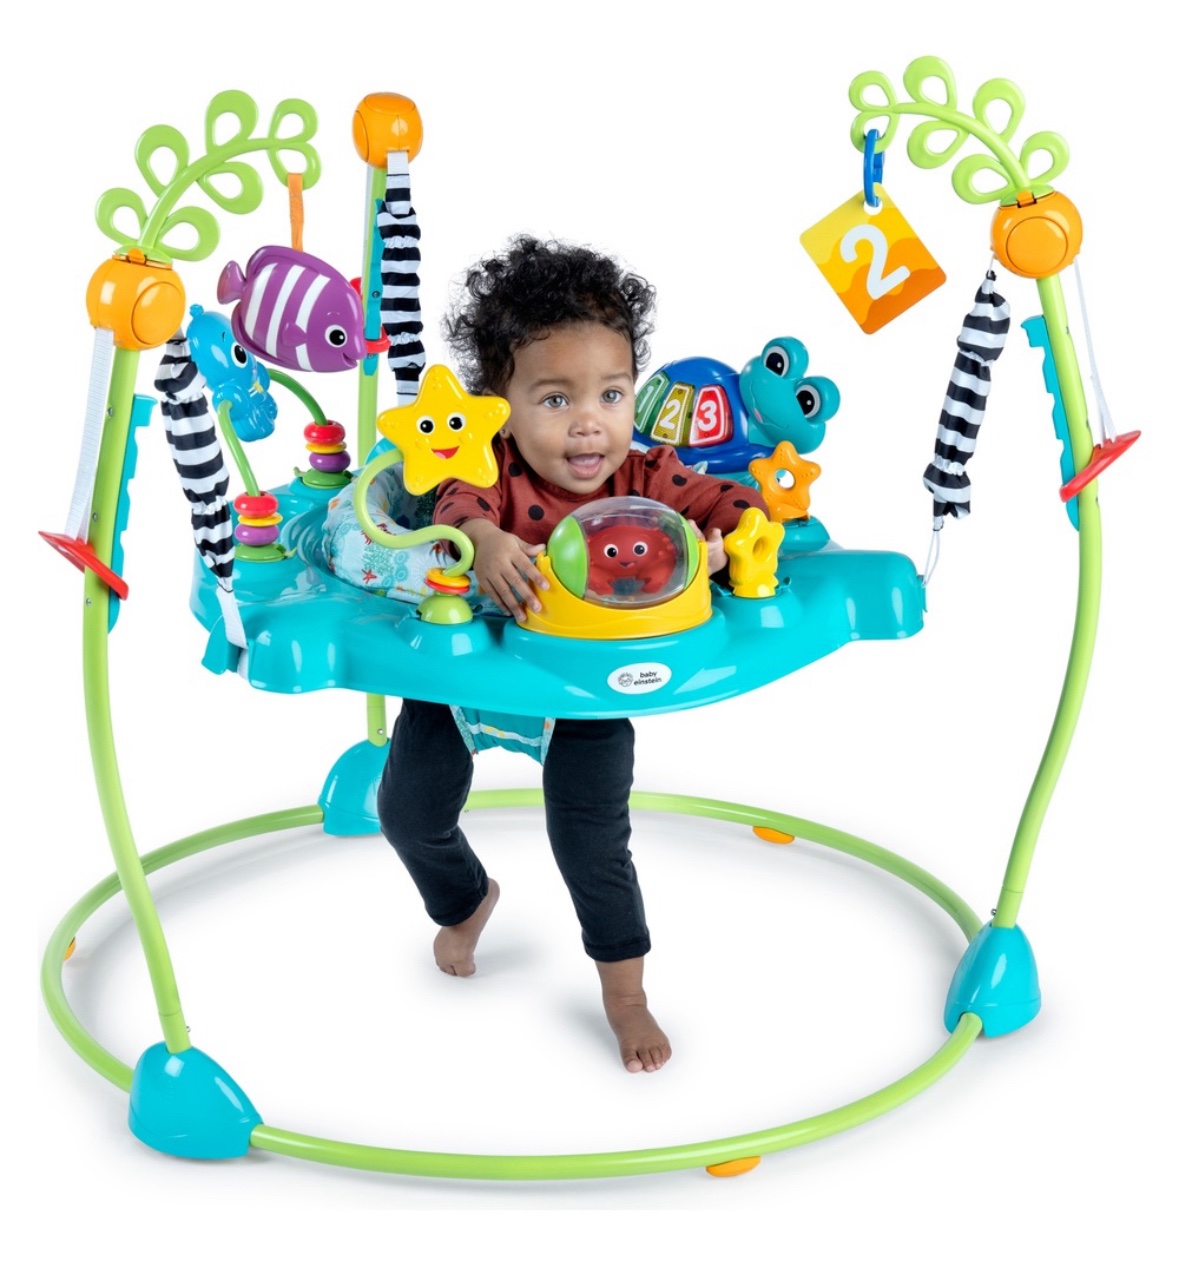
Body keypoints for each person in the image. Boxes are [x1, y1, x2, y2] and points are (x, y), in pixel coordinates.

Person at [377, 236, 768, 1073]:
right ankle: (465, 897)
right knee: (406, 811)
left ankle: (625, 994)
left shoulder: (648, 477)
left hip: (586, 687)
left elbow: (731, 500)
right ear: (500, 407)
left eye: (611, 393)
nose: (589, 420)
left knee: (591, 844)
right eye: (555, 398)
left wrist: (724, 541)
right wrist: (482, 537)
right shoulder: (485, 468)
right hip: (467, 675)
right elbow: (454, 503)